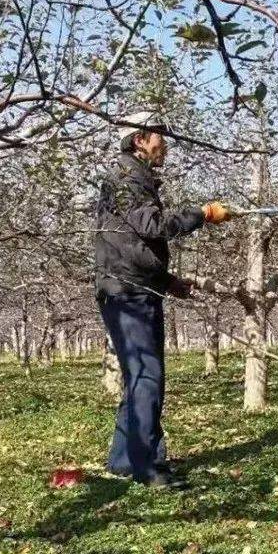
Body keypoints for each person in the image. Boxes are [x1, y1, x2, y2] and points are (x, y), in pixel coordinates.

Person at [94, 111, 231, 489]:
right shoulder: (126, 179)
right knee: (147, 376)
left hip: (134, 286)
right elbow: (153, 226)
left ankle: (124, 460)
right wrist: (202, 214)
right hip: (127, 293)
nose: (164, 144)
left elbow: (130, 244)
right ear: (139, 139)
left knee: (141, 376)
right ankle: (148, 467)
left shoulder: (134, 178)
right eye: (159, 136)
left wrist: (167, 281)